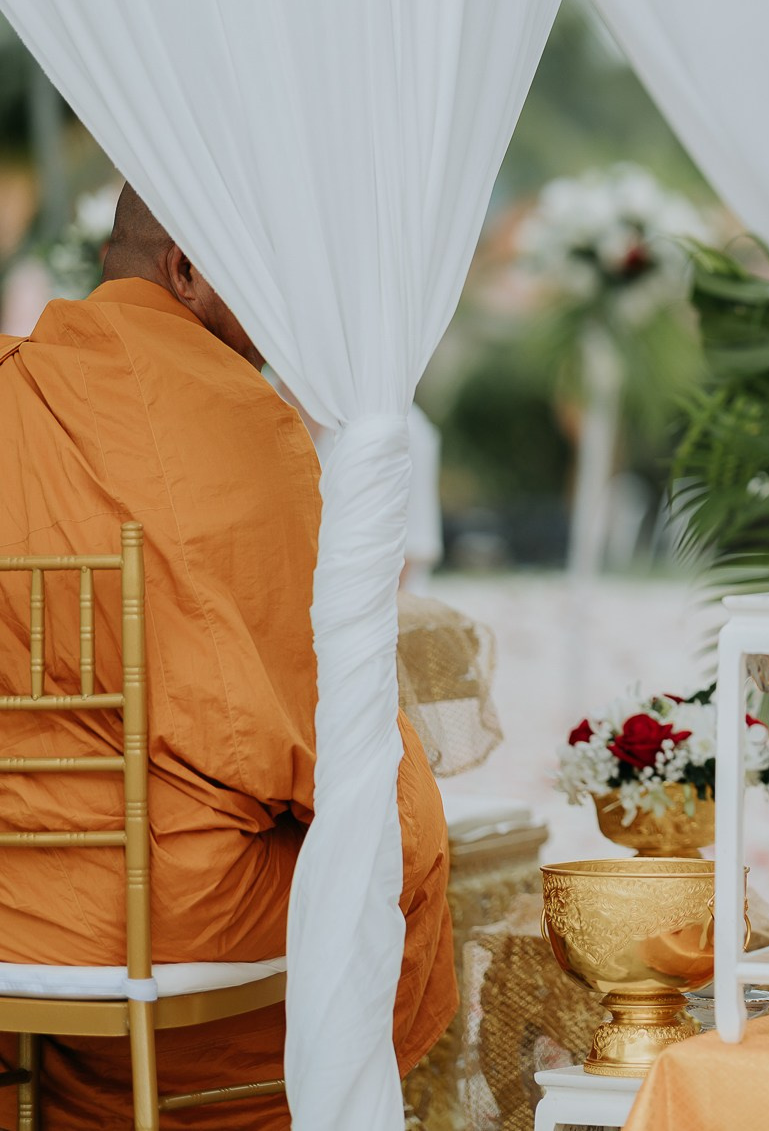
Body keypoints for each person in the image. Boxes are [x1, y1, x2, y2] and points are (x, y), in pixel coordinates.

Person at [0, 187, 454, 1130]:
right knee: (392, 857)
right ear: (188, 271)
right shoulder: (235, 417)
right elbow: (300, 727)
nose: (287, 322)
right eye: (269, 283)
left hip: (12, 901)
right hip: (168, 909)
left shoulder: (14, 386)